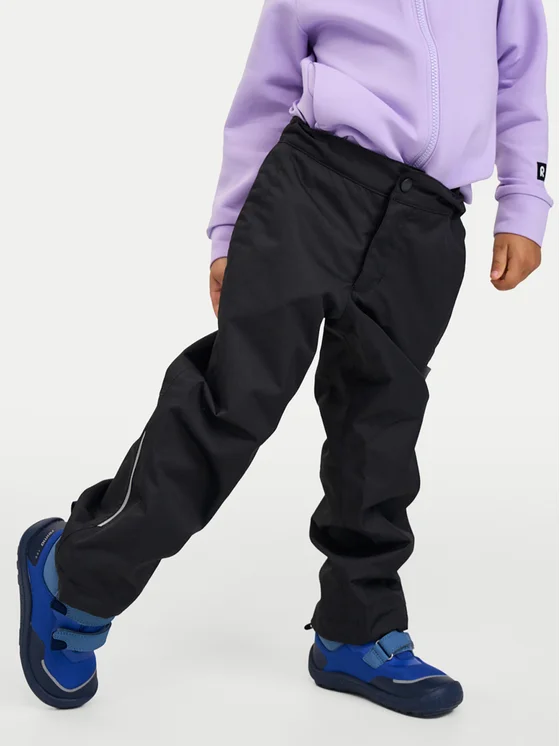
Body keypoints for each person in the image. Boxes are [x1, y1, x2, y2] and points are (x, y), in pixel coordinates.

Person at [18, 0, 551, 717]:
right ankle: (75, 578)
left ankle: (357, 631)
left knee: (382, 427)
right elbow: (267, 88)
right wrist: (229, 229)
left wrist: (524, 200)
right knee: (234, 401)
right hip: (312, 190)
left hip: (428, 220)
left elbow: (520, 75)